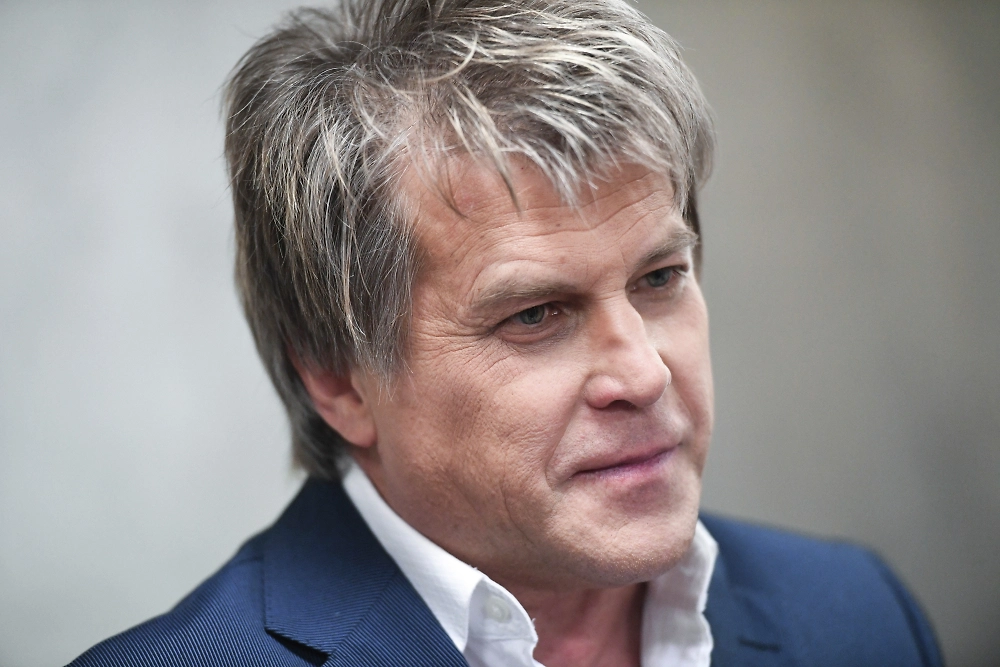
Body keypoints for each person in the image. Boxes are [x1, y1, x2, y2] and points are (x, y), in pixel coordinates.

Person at [70, 1, 943, 665]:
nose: (644, 374)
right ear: (337, 378)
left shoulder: (858, 615)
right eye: (534, 315)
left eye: (659, 278)